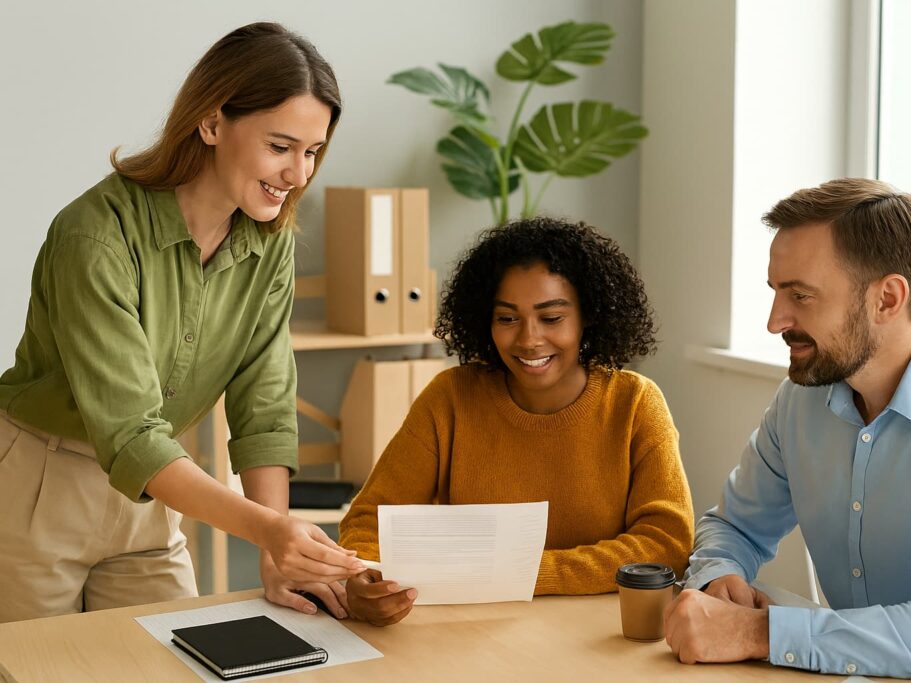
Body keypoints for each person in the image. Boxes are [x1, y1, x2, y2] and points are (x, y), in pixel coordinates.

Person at [0, 22, 365, 623]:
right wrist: (270, 530)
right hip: (40, 491)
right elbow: (131, 432)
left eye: (312, 152)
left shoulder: (270, 240)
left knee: (176, 660)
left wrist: (278, 556)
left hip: (155, 499)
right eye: (281, 147)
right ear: (213, 122)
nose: (299, 175)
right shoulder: (95, 235)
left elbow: (264, 400)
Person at [664, 178, 911, 682]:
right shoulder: (802, 399)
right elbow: (736, 527)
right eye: (775, 292)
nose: (774, 321)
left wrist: (756, 633)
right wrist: (719, 575)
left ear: (887, 299)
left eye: (801, 296)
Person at [337, 217, 694, 626]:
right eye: (507, 319)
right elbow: (370, 519)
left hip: (602, 631)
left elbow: (665, 543)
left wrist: (526, 573)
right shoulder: (451, 398)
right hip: (471, 632)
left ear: (588, 316)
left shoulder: (635, 403)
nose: (528, 339)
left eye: (552, 318)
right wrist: (363, 578)